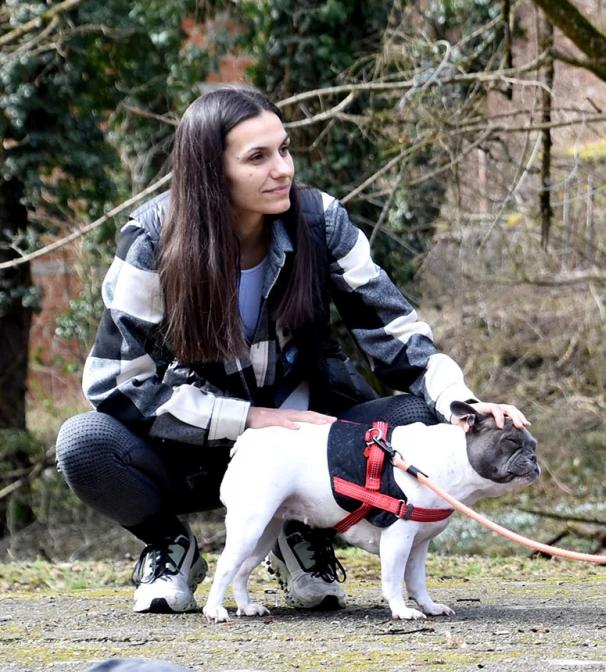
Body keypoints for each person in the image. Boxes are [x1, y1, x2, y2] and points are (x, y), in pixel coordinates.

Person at [56, 86, 528, 614]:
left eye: (284, 149)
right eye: (257, 158)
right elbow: (116, 383)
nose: (282, 169)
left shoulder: (320, 221)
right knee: (84, 442)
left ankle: (301, 533)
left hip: (309, 454)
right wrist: (247, 417)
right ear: (211, 172)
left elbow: (395, 332)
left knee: (415, 415)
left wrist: (463, 403)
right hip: (186, 450)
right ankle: (169, 546)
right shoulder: (151, 239)